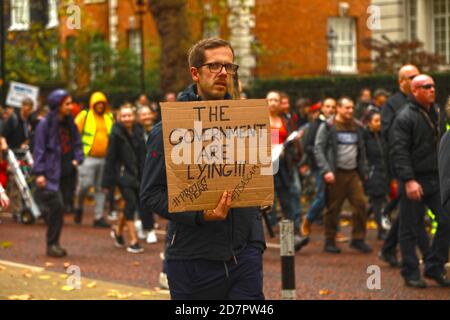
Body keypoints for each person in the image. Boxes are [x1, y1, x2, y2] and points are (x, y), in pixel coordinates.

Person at [140, 38, 265, 300]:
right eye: (215, 66)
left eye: (229, 67)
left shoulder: (247, 123)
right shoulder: (168, 129)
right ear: (195, 73)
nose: (223, 73)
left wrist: (256, 233)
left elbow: (260, 176)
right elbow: (151, 195)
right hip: (192, 260)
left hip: (244, 256)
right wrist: (201, 214)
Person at [390, 74, 450, 288]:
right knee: (410, 227)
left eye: (433, 86)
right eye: (426, 86)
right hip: (414, 179)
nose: (432, 89)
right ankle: (410, 271)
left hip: (435, 179)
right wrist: (408, 180)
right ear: (414, 91)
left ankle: (434, 266)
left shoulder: (437, 113)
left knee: (446, 221)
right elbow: (399, 150)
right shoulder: (404, 116)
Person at [314, 97, 372, 254]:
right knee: (333, 208)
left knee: (360, 204)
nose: (350, 111)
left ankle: (358, 239)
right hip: (336, 173)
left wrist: (363, 170)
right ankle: (330, 240)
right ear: (338, 109)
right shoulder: (329, 126)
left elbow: (362, 150)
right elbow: (318, 148)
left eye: (352, 108)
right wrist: (326, 170)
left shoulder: (357, 126)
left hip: (353, 173)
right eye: (347, 108)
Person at [379, 64, 422, 268]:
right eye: (411, 76)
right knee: (409, 208)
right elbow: (387, 133)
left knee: (409, 208)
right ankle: (425, 255)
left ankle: (388, 248)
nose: (416, 79)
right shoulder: (392, 104)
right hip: (402, 163)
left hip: (421, 164)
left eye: (417, 75)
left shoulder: (422, 99)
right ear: (401, 82)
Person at [33, 89, 84, 257]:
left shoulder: (70, 122)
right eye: (67, 103)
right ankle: (51, 244)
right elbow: (39, 149)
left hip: (67, 170)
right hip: (50, 172)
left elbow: (77, 142)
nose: (71, 107)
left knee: (62, 208)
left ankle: (55, 243)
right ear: (58, 105)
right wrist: (39, 173)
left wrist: (78, 158)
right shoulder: (44, 124)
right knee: (57, 206)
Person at [103, 104, 147, 254]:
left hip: (137, 174)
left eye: (129, 115)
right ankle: (134, 241)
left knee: (131, 203)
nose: (127, 118)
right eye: (124, 116)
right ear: (119, 118)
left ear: (133, 116)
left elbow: (143, 153)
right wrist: (108, 182)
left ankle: (118, 231)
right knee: (131, 203)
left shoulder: (139, 131)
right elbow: (110, 158)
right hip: (122, 174)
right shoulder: (115, 133)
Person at [267, 91, 308, 251]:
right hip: (266, 166)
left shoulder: (285, 120)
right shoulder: (260, 119)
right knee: (265, 204)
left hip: (283, 166)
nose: (273, 103)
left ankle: (290, 241)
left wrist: (291, 144)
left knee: (287, 202)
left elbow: (290, 140)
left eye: (276, 100)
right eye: (270, 100)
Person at [74, 91, 114, 228]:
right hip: (87, 158)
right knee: (84, 185)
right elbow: (74, 134)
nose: (100, 106)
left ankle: (98, 217)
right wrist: (76, 154)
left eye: (102, 104)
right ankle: (78, 206)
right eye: (97, 104)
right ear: (93, 104)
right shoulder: (84, 115)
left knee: (101, 188)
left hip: (104, 159)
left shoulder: (109, 117)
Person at [302, 98, 336, 236]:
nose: (330, 110)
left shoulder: (336, 123)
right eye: (327, 106)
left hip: (335, 166)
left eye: (333, 107)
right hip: (319, 166)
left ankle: (334, 230)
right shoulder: (316, 124)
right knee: (322, 197)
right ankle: (308, 219)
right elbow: (308, 146)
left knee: (333, 198)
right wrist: (321, 154)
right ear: (322, 108)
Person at [363, 110, 390, 240]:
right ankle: (382, 229)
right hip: (373, 175)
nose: (379, 124)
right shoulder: (364, 136)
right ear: (369, 123)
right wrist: (367, 173)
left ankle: (362, 219)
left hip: (384, 174)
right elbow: (362, 156)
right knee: (379, 203)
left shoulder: (383, 136)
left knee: (378, 202)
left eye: (380, 120)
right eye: (376, 121)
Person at [135, 105, 158, 244]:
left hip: (159, 169)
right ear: (139, 117)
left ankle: (144, 224)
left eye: (148, 114)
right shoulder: (135, 133)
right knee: (144, 201)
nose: (146, 117)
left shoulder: (159, 129)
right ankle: (149, 229)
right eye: (143, 115)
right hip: (141, 172)